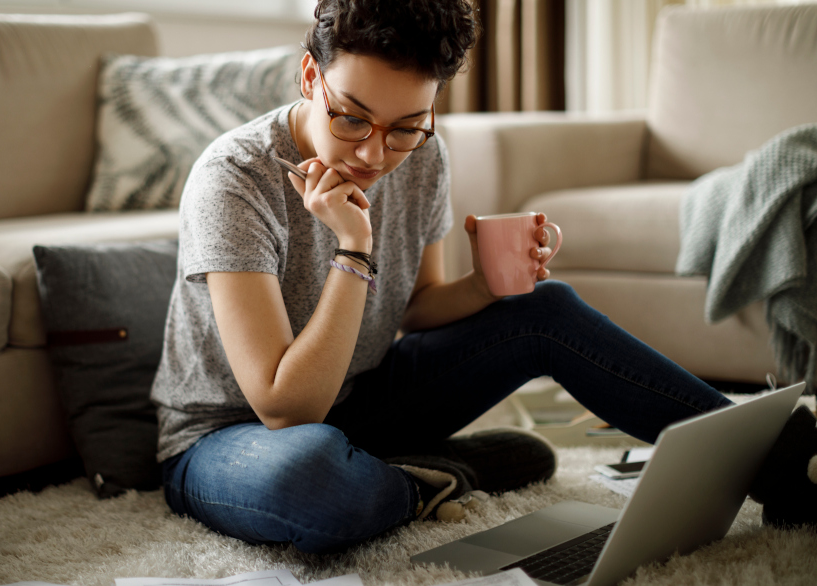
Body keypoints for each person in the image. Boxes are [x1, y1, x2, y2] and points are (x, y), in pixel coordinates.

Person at [151, 0, 742, 554]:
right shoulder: (235, 178)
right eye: (352, 118)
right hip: (231, 436)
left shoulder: (425, 155)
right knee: (311, 478)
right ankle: (436, 476)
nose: (374, 155)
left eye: (406, 127)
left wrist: (484, 286)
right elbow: (285, 408)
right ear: (311, 76)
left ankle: (766, 455)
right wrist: (354, 249)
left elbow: (418, 307)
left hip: (362, 399)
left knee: (546, 308)